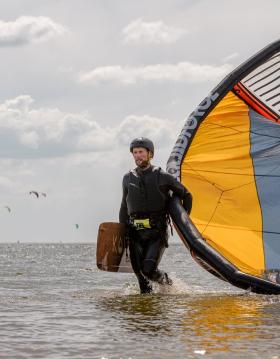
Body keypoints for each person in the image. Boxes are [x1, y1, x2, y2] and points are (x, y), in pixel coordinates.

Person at [119, 137, 192, 294]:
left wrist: (184, 223)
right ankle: (147, 314)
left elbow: (187, 195)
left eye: (141, 152)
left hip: (156, 233)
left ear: (150, 153)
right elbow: (124, 206)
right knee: (141, 277)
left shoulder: (162, 176)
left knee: (149, 270)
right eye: (135, 152)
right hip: (135, 233)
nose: (138, 155)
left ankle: (170, 286)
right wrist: (121, 232)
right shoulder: (127, 178)